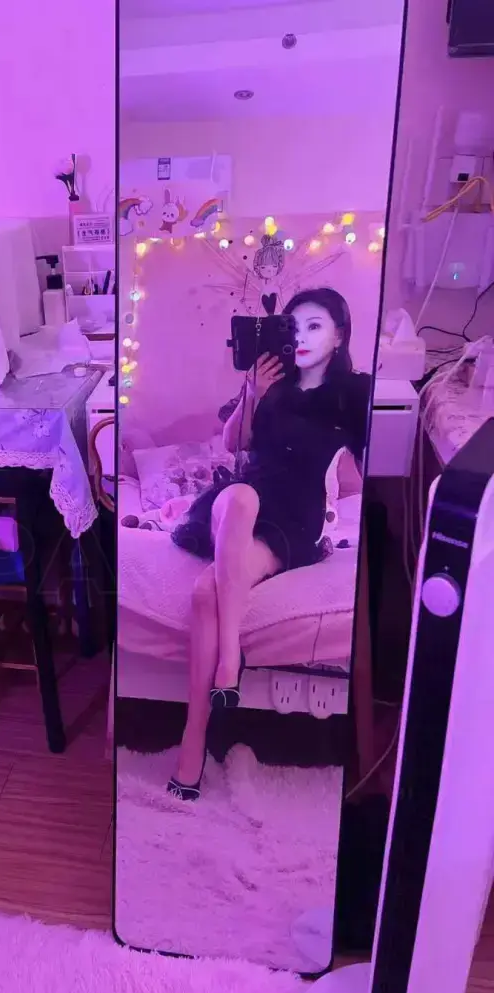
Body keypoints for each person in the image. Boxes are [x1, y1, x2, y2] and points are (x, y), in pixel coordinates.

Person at [166, 287, 371, 800]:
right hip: (239, 502)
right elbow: (233, 443)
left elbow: (368, 461)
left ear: (340, 335)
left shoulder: (350, 393)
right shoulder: (270, 383)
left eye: (316, 326)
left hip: (293, 518)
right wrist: (252, 394)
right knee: (239, 496)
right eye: (294, 326)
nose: (302, 336)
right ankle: (229, 660)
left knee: (205, 592)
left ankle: (193, 740)